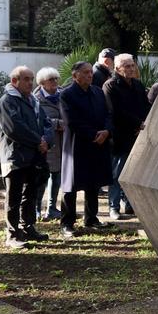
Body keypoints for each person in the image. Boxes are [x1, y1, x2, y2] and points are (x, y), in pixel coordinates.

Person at [0, 66, 51, 246]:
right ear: (14, 81)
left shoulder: (33, 100)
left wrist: (47, 141)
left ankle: (28, 227)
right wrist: (38, 141)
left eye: (31, 79)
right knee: (14, 197)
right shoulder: (7, 101)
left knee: (31, 194)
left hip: (34, 156)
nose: (30, 83)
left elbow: (46, 123)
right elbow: (14, 128)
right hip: (15, 156)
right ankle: (12, 234)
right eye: (26, 79)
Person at [58, 61, 112, 235]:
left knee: (93, 183)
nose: (90, 75)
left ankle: (91, 218)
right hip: (77, 145)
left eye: (91, 72)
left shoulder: (97, 91)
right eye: (86, 72)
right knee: (71, 185)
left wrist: (106, 131)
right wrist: (94, 134)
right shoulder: (67, 94)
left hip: (98, 144)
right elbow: (71, 121)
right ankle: (67, 223)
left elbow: (107, 114)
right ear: (75, 76)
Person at [102, 53, 149, 219]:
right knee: (117, 174)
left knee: (133, 173)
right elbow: (115, 111)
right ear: (117, 68)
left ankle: (130, 205)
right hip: (119, 136)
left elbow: (145, 106)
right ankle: (113, 207)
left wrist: (144, 123)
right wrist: (137, 123)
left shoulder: (137, 84)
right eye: (127, 66)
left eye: (132, 65)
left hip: (137, 135)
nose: (131, 69)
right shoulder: (110, 86)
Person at [35, 66, 64, 220]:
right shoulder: (36, 99)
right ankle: (36, 207)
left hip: (63, 142)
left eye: (56, 78)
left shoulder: (63, 94)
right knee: (42, 176)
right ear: (42, 83)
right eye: (50, 79)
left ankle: (52, 207)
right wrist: (58, 124)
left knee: (57, 175)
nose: (54, 82)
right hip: (47, 142)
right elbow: (37, 120)